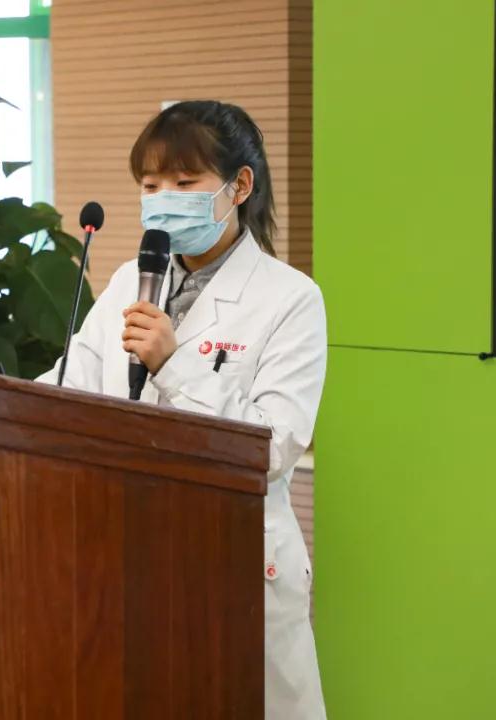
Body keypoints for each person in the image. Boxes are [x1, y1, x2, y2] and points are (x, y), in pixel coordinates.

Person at [39, 100, 327, 720]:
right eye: (150, 186)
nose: (163, 199)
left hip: (230, 564)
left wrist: (174, 364)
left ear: (239, 187)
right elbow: (69, 386)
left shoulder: (291, 299)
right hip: (125, 555)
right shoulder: (130, 280)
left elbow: (275, 446)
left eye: (185, 182)